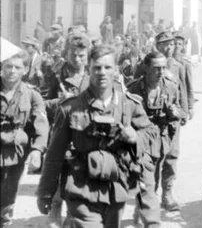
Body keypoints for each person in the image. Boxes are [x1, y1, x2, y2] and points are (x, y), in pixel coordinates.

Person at [36, 45, 159, 228]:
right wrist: (45, 191)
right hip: (81, 186)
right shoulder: (70, 108)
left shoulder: (128, 104)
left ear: (116, 71)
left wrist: (136, 137)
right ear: (88, 70)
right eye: (97, 68)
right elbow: (54, 154)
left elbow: (152, 132)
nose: (102, 72)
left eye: (107, 67)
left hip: (116, 185)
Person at [127, 51, 185, 228]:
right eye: (156, 68)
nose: (160, 72)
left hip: (164, 138)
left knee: (160, 173)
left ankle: (145, 208)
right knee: (146, 179)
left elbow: (183, 113)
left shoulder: (171, 87)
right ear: (146, 68)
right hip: (143, 140)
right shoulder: (133, 89)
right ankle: (146, 215)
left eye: (163, 68)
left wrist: (177, 113)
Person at [43, 33, 92, 227]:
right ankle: (55, 208)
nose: (77, 59)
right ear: (66, 54)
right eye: (74, 55)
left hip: (86, 131)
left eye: (82, 55)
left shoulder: (94, 74)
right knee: (59, 170)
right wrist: (60, 102)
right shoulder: (55, 74)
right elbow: (41, 103)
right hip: (61, 131)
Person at [136, 31, 188, 211]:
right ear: (157, 46)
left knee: (171, 157)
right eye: (165, 44)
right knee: (150, 162)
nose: (169, 47)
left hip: (170, 123)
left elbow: (184, 90)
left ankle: (167, 193)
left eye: (172, 44)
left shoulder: (179, 66)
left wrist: (183, 113)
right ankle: (150, 196)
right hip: (151, 123)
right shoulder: (146, 64)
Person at [1, 51, 49, 227]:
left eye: (17, 67)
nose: (12, 71)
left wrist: (37, 149)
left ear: (25, 70)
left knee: (8, 193)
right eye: (8, 66)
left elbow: (41, 123)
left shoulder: (31, 94)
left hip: (15, 154)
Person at [173, 31, 195, 120]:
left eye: (179, 44)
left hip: (180, 101)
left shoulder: (185, 64)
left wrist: (190, 106)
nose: (177, 46)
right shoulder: (164, 62)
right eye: (174, 43)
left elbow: (189, 85)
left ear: (182, 46)